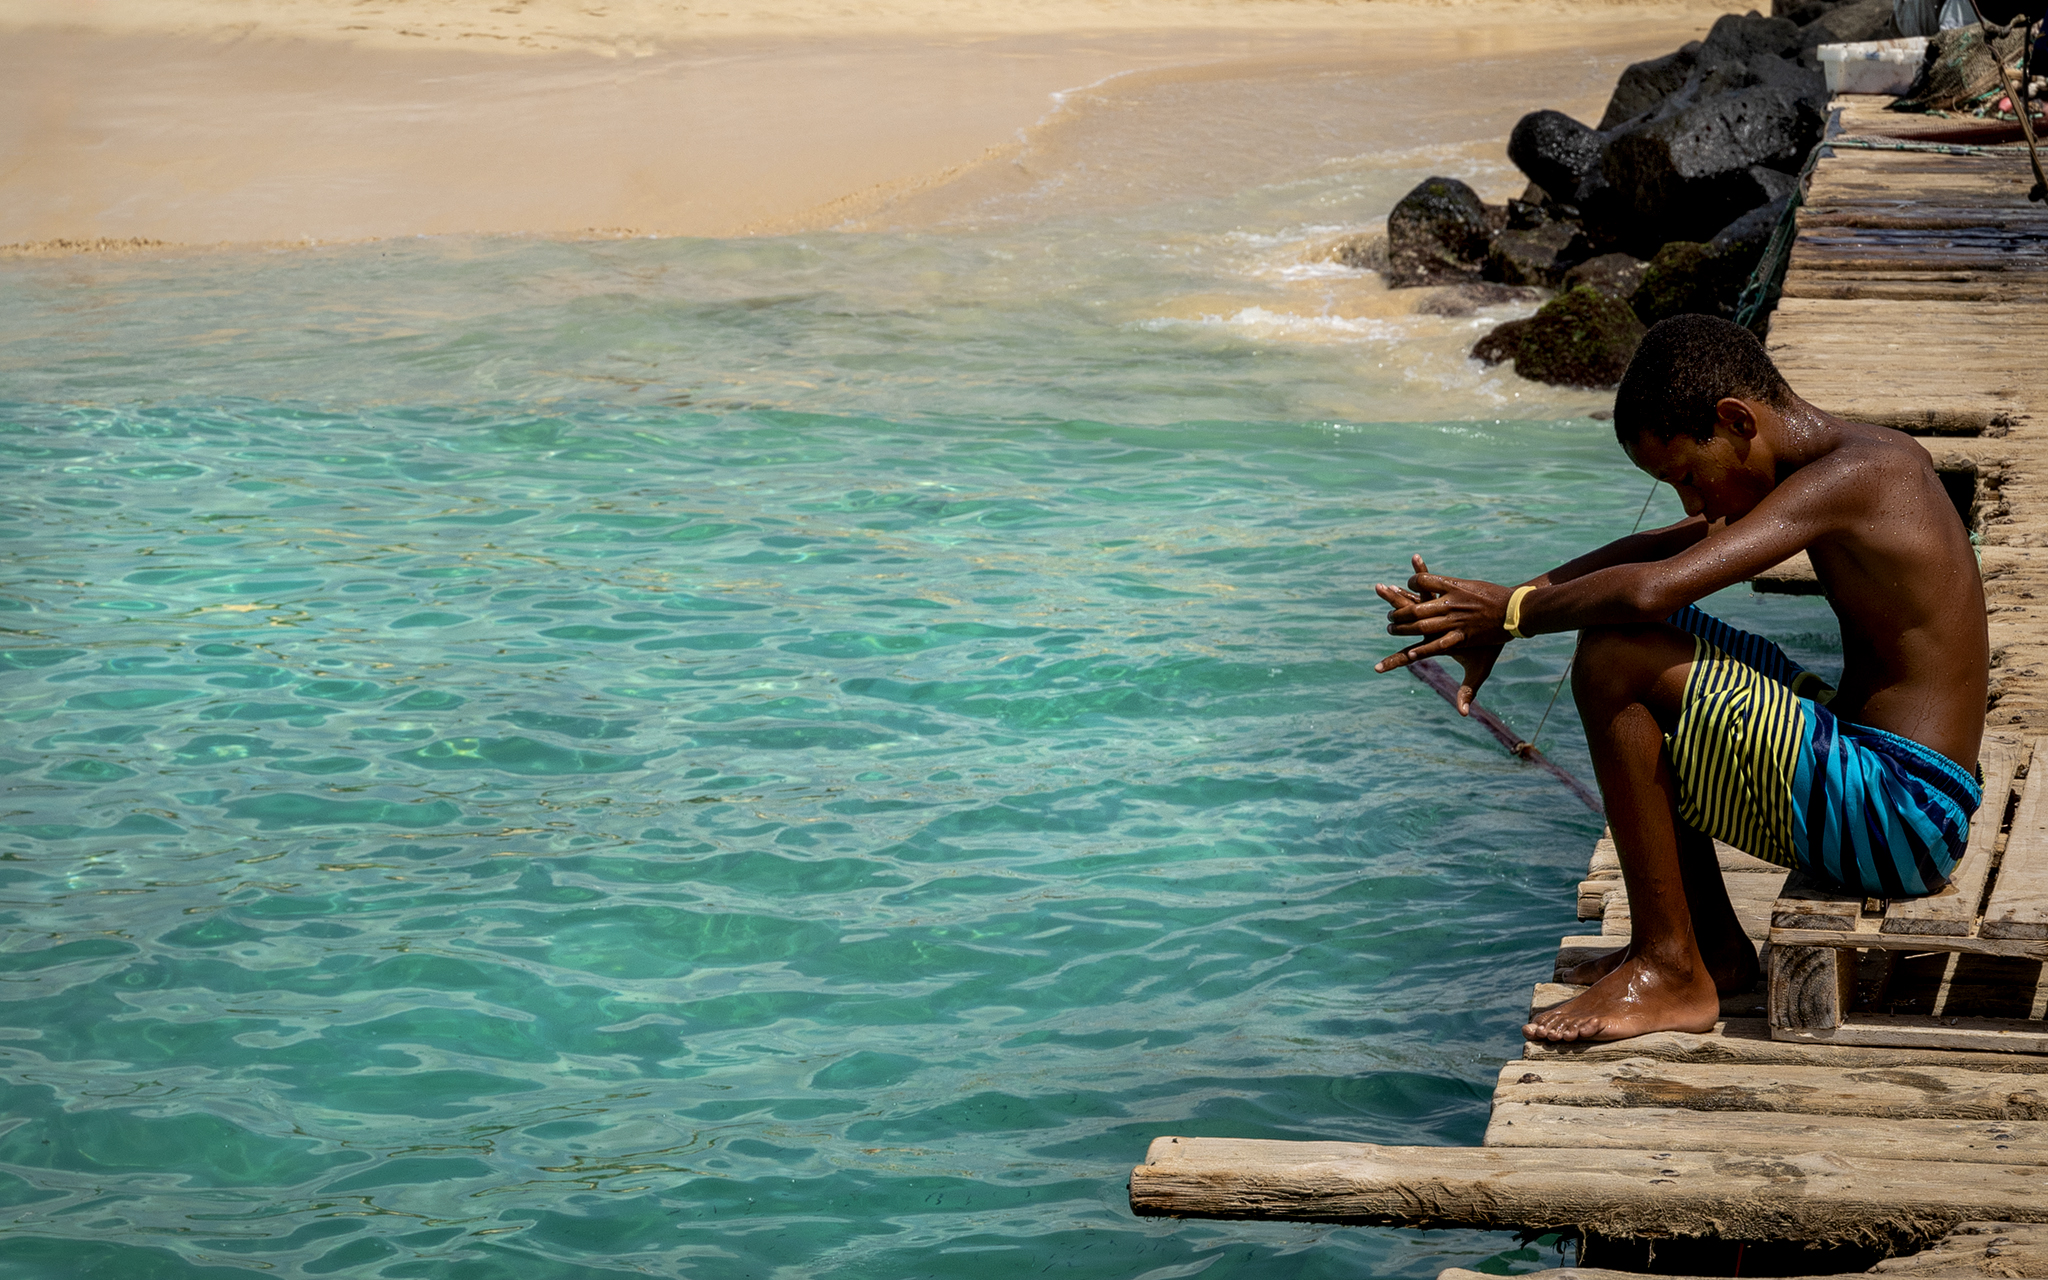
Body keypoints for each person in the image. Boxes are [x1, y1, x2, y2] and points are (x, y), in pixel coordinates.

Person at [1374, 314, 1988, 1043]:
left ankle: (1670, 968)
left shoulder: (1859, 477)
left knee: (1616, 657)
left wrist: (1512, 615)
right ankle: (1713, 951)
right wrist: (1504, 609)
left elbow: (1649, 590)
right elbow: (1651, 555)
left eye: (1688, 477)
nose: (1693, 504)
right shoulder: (1839, 460)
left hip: (1906, 817)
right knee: (1625, 637)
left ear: (1736, 420)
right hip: (1887, 783)